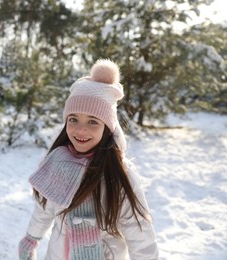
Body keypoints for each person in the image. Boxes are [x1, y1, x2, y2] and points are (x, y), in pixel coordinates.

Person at [18, 59, 159, 260]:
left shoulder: (119, 172)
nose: (80, 129)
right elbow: (45, 208)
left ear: (107, 128)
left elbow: (138, 228)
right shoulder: (58, 162)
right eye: (73, 119)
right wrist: (31, 238)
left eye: (93, 121)